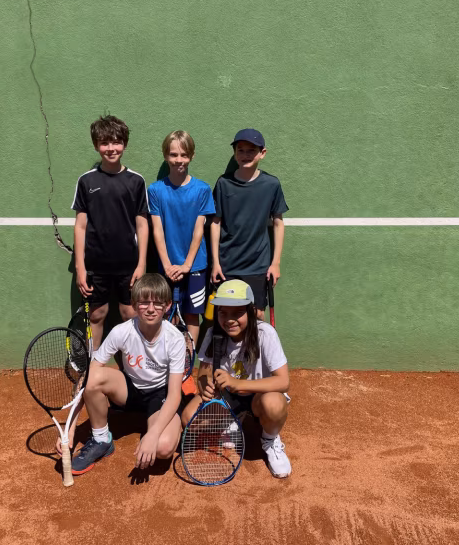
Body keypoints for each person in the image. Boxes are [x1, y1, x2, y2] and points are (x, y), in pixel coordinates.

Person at [63, 274, 187, 475]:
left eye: (157, 303)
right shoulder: (122, 331)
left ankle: (171, 427)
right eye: (144, 302)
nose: (150, 308)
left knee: (163, 448)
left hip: (160, 395)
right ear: (134, 304)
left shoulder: (174, 339)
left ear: (168, 306)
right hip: (129, 390)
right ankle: (102, 440)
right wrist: (71, 428)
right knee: (92, 376)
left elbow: (174, 394)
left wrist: (153, 435)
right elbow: (88, 378)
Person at [181, 279, 292, 478]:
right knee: (189, 418)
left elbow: (283, 381)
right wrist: (205, 386)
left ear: (250, 311)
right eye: (223, 312)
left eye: (237, 313)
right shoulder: (212, 333)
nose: (229, 319)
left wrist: (238, 383)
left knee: (274, 404)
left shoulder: (265, 333)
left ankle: (269, 439)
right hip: (228, 397)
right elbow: (204, 373)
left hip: (259, 395)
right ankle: (231, 422)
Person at [71, 115, 149, 350]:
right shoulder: (86, 181)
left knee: (129, 315)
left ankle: (134, 371)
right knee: (96, 316)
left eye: (116, 142)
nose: (111, 148)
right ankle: (91, 372)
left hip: (128, 265)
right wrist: (80, 268)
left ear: (124, 144)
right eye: (105, 143)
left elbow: (142, 225)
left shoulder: (136, 181)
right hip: (96, 266)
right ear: (96, 145)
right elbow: (80, 226)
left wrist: (141, 264)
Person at [210, 128, 288, 320]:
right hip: (227, 264)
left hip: (257, 265)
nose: (245, 155)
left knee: (256, 314)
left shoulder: (271, 184)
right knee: (225, 316)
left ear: (262, 153)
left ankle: (253, 351)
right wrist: (216, 263)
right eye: (241, 150)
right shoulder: (223, 183)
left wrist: (275, 263)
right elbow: (215, 223)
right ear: (235, 153)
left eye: (251, 150)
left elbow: (278, 223)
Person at [148, 131, 216, 345]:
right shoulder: (155, 190)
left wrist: (187, 265)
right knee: (169, 316)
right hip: (166, 266)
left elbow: (199, 230)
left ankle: (187, 364)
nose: (179, 160)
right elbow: (157, 230)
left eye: (184, 155)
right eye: (174, 154)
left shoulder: (203, 189)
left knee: (191, 316)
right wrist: (167, 265)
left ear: (192, 156)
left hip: (195, 266)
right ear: (166, 156)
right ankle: (172, 364)